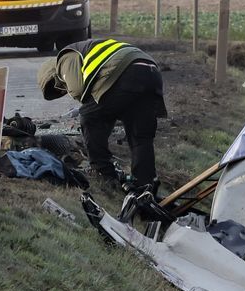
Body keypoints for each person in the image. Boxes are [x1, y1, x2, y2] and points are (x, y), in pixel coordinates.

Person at [39, 37, 165, 193]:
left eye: (58, 88)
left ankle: (104, 174)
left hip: (126, 72)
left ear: (52, 74)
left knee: (90, 118)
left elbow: (78, 90)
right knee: (140, 137)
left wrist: (94, 111)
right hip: (151, 71)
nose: (61, 91)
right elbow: (107, 102)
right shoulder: (89, 50)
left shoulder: (65, 58)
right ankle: (144, 186)